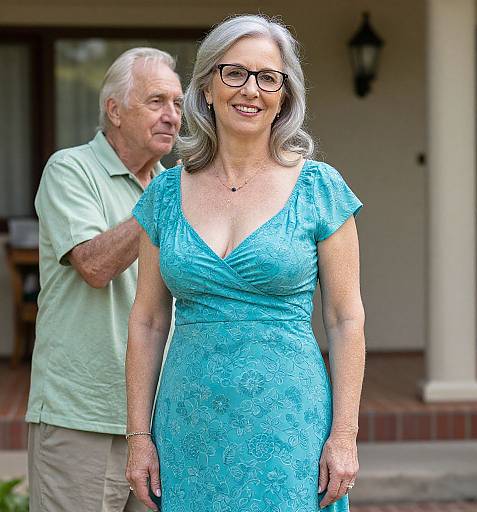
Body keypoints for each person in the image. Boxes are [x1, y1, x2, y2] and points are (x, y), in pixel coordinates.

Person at [126, 14, 365, 512]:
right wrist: (138, 437)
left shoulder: (320, 189)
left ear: (284, 97)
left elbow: (345, 319)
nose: (250, 90)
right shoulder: (166, 194)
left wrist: (344, 435)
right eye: (234, 72)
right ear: (207, 87)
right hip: (187, 423)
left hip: (289, 425)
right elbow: (148, 320)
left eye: (267, 77)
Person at [25, 47, 183, 512]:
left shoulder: (170, 185)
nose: (172, 117)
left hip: (156, 420)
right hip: (82, 417)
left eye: (177, 104)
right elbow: (94, 266)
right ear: (114, 110)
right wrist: (162, 200)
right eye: (157, 101)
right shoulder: (70, 169)